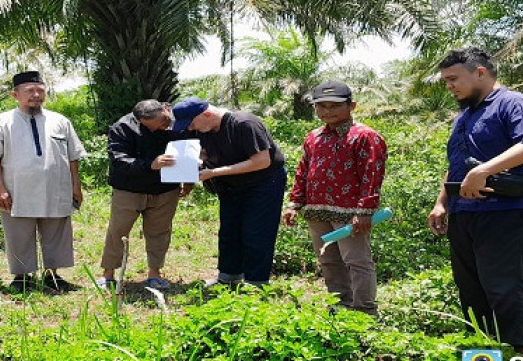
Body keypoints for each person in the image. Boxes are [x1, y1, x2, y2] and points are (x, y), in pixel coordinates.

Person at [427, 47, 523, 351]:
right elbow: (458, 164)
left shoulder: (514, 103)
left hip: (508, 211)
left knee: (503, 288)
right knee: (471, 291)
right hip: (465, 212)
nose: (449, 86)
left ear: (480, 72)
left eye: (454, 78)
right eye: (445, 81)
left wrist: (485, 170)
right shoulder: (464, 116)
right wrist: (441, 202)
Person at [282, 81, 387, 315]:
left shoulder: (365, 136)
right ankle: (340, 305)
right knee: (328, 261)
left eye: (334, 106)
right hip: (316, 211)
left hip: (350, 214)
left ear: (352, 106)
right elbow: (303, 172)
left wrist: (364, 211)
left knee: (357, 261)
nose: (327, 111)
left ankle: (364, 311)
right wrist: (293, 204)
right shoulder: (313, 137)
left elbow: (372, 175)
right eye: (321, 106)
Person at [0, 71, 86, 292]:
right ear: (15, 95)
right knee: (18, 233)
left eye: (40, 91)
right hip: (17, 190)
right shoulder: (0, 122)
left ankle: (53, 275)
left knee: (56, 232)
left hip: (56, 188)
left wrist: (76, 186)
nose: (36, 95)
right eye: (30, 91)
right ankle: (22, 277)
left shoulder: (60, 121)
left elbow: (73, 156)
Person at [171, 98, 286, 287]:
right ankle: (228, 276)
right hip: (230, 184)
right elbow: (205, 154)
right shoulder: (204, 129)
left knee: (257, 231)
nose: (191, 128)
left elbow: (262, 161)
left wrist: (215, 172)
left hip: (263, 182)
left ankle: (256, 282)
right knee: (229, 230)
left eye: (192, 123)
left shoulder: (245, 124)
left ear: (206, 114)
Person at [100, 99, 190, 290]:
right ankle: (108, 275)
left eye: (166, 120)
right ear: (142, 121)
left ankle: (154, 274)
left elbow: (187, 152)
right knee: (118, 231)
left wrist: (189, 180)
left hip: (165, 190)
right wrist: (151, 164)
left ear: (166, 109)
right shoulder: (122, 128)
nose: (165, 125)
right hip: (129, 190)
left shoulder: (176, 122)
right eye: (160, 124)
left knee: (160, 232)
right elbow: (119, 161)